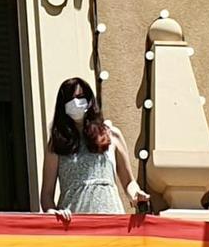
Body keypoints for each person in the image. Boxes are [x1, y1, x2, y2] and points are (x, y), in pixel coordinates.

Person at [39, 77, 150, 220]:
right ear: (62, 106)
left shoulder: (112, 135)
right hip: (74, 225)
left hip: (111, 219)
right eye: (70, 99)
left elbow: (129, 182)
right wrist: (52, 212)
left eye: (80, 97)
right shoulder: (56, 144)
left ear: (89, 100)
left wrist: (137, 195)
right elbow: (46, 194)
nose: (75, 102)